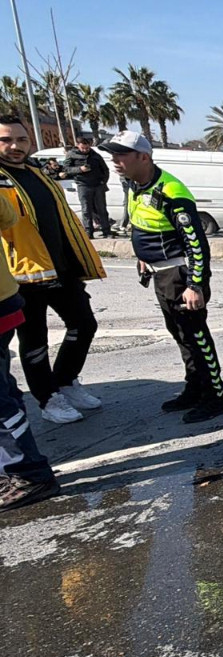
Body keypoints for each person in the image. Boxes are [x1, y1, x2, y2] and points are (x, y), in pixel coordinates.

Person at [101, 131, 223, 423]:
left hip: (180, 276)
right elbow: (146, 228)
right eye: (113, 155)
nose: (115, 161)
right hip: (161, 274)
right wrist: (144, 257)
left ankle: (216, 396)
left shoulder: (171, 192)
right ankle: (195, 388)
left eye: (121, 154)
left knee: (197, 337)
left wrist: (194, 284)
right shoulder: (136, 185)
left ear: (143, 157)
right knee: (181, 335)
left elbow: (197, 243)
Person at [0, 115, 106, 425]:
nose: (15, 146)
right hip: (22, 275)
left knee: (84, 325)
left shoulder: (37, 171)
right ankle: (47, 398)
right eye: (6, 140)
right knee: (34, 342)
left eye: (20, 139)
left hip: (59, 267)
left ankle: (65, 380)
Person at [0, 193, 59, 511]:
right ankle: (19, 468)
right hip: (5, 296)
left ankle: (29, 472)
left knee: (0, 400)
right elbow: (8, 218)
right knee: (4, 390)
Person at [64, 136, 115, 239]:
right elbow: (66, 169)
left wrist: (102, 182)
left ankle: (106, 230)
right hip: (83, 185)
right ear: (78, 146)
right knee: (86, 209)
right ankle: (88, 232)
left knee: (102, 209)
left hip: (97, 185)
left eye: (87, 148)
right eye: (83, 148)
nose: (85, 150)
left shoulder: (95, 155)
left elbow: (105, 170)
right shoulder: (72, 155)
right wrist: (80, 169)